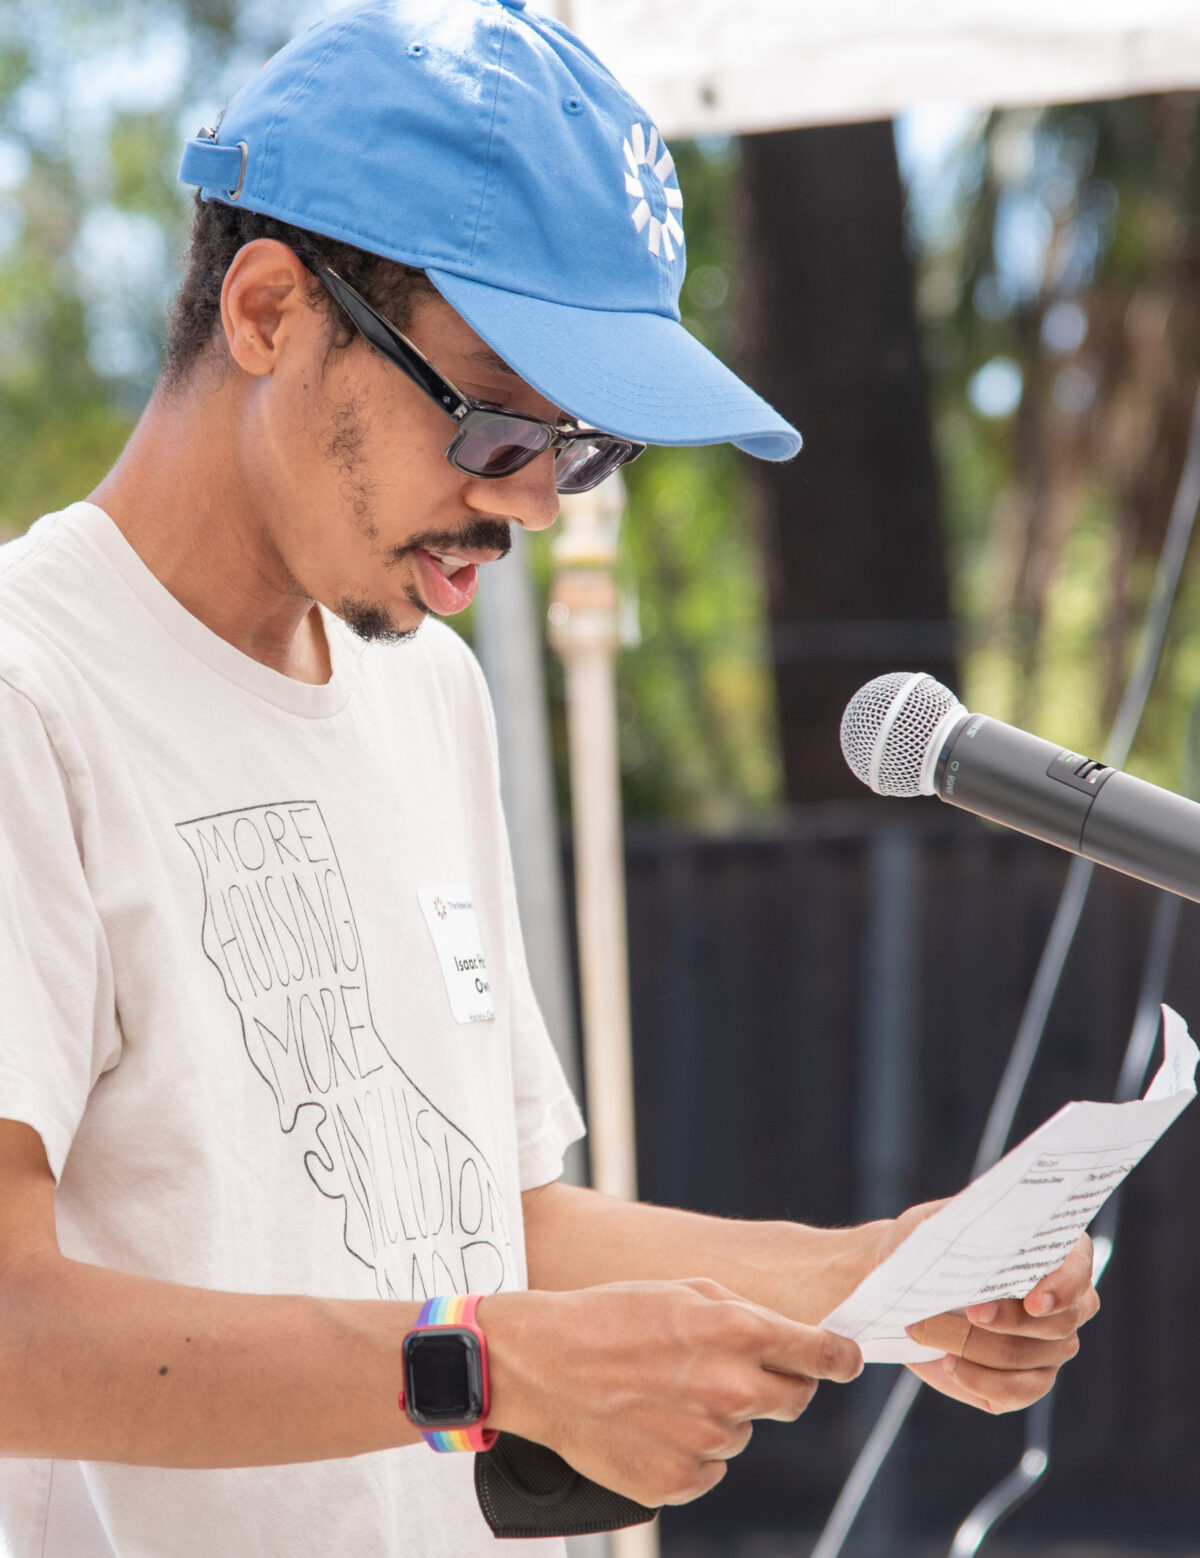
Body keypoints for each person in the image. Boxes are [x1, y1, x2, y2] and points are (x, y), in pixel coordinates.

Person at [0, 1, 1098, 1554]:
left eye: (580, 451)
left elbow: (489, 1225)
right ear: (264, 312)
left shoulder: (426, 693)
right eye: (500, 422)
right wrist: (484, 1364)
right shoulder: (29, 695)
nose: (529, 508)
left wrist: (890, 1270)